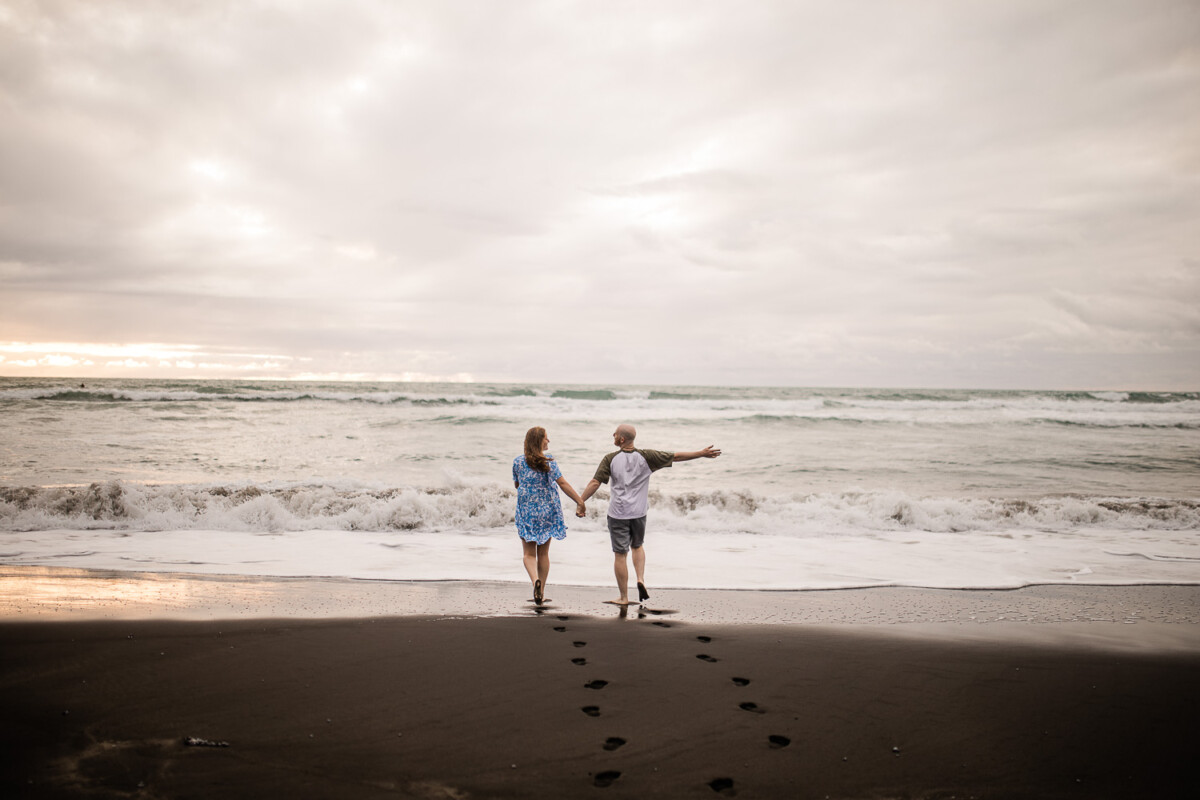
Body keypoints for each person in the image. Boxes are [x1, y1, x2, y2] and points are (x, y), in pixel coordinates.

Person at [579, 424, 721, 605]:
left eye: (615, 434)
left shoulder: (610, 459)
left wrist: (581, 501)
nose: (612, 435)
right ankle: (640, 579)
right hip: (638, 513)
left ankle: (623, 597)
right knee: (637, 546)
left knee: (620, 554)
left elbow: (595, 482)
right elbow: (676, 456)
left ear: (621, 439)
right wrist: (700, 453)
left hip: (618, 513)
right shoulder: (647, 457)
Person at [513, 426, 586, 605]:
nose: (548, 441)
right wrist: (580, 501)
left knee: (528, 554)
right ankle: (542, 591)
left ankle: (534, 581)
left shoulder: (518, 462)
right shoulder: (549, 463)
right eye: (546, 438)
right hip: (547, 510)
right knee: (543, 554)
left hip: (527, 511)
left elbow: (517, 484)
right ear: (539, 441)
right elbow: (563, 483)